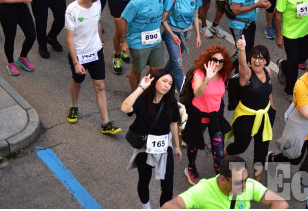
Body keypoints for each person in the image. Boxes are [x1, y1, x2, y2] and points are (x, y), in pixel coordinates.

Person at [65, 0, 121, 135]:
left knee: (100, 86)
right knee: (77, 82)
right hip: (79, 55)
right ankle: (74, 106)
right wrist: (76, 62)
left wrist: (101, 45)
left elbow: (97, 23)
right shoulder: (72, 10)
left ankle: (105, 123)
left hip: (95, 52)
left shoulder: (97, 4)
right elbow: (69, 37)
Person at [120, 68, 182, 209]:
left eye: (170, 83)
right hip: (144, 146)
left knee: (168, 187)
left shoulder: (170, 101)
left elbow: (173, 123)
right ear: (155, 81)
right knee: (144, 180)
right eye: (164, 81)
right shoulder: (142, 100)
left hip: (164, 146)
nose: (166, 85)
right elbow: (125, 108)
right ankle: (146, 207)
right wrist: (141, 87)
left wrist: (177, 146)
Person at [181, 45, 233, 185]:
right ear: (207, 59)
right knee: (194, 145)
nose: (217, 64)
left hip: (215, 116)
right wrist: (208, 78)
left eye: (221, 61)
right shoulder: (200, 73)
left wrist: (241, 50)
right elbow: (198, 93)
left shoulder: (223, 74)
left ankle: (220, 180)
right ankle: (191, 168)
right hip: (199, 116)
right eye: (214, 60)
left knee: (219, 152)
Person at [226, 39, 275, 180]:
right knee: (240, 147)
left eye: (261, 58)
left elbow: (268, 90)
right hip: (245, 118)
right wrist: (242, 49)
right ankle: (222, 154)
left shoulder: (268, 71)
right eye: (254, 57)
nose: (257, 61)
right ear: (250, 59)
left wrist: (272, 108)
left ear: (266, 61)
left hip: (264, 116)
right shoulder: (246, 74)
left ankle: (257, 182)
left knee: (261, 150)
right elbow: (241, 63)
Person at [163, 155, 288, 209]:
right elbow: (169, 207)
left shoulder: (249, 186)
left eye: (245, 180)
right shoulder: (203, 190)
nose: (244, 186)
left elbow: (280, 203)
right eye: (238, 182)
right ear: (222, 178)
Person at [119, 0, 167, 92]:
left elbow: (166, 5)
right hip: (138, 42)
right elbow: (123, 20)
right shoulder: (137, 2)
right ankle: (135, 94)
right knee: (137, 70)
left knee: (157, 69)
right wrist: (123, 42)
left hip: (156, 40)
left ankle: (145, 88)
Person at [161, 0, 202, 92]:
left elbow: (195, 17)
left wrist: (198, 36)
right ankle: (182, 96)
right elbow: (163, 19)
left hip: (185, 34)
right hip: (172, 34)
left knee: (173, 61)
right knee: (178, 65)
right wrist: (172, 35)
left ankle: (158, 78)